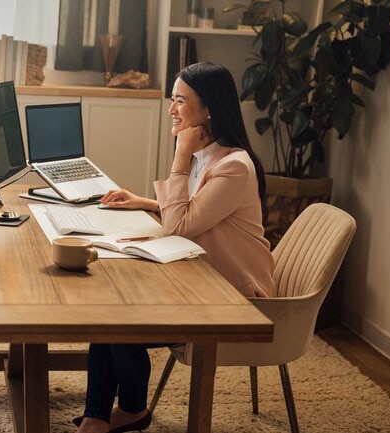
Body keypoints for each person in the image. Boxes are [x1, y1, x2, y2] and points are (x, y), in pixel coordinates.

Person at [73, 61, 275, 433]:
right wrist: (145, 201)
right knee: (109, 310)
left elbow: (179, 226)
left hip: (234, 299)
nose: (171, 109)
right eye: (172, 99)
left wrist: (180, 156)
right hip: (202, 279)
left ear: (209, 109)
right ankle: (98, 416)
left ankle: (129, 411)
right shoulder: (213, 155)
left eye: (180, 101)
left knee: (121, 324)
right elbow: (199, 212)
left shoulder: (234, 166)